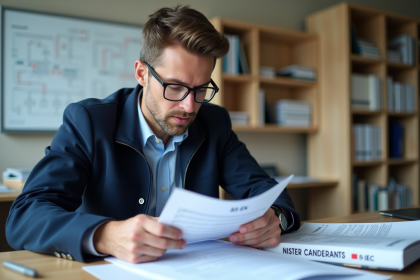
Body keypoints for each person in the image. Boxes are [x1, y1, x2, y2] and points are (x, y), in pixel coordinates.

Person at [6, 5, 300, 263]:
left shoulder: (215, 122)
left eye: (201, 90)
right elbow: (26, 215)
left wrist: (276, 217)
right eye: (174, 87)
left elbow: (264, 190)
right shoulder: (89, 122)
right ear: (141, 74)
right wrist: (104, 235)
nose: (189, 105)